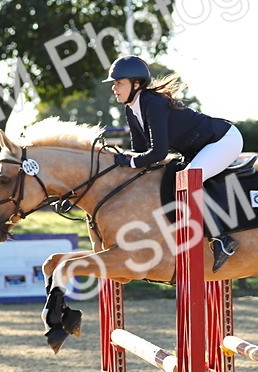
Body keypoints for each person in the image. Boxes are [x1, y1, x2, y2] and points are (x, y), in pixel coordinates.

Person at [104, 55, 245, 271]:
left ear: (136, 84)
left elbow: (158, 152)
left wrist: (129, 161)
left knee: (189, 178)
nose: (114, 88)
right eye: (114, 83)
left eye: (119, 83)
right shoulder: (131, 109)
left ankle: (222, 240)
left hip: (223, 140)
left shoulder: (153, 103)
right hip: (200, 148)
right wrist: (119, 162)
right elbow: (140, 152)